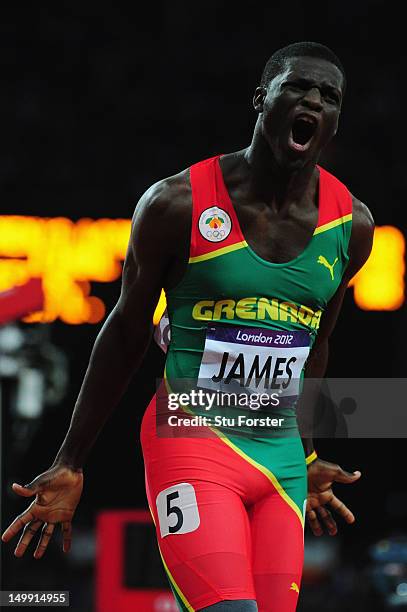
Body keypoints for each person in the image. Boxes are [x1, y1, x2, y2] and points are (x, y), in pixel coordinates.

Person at [1, 41, 374, 611]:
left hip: (279, 464)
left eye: (330, 96)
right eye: (298, 86)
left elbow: (315, 346)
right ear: (261, 99)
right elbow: (126, 332)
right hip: (192, 440)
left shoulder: (352, 225)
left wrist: (306, 453)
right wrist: (71, 461)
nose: (314, 101)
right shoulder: (176, 204)